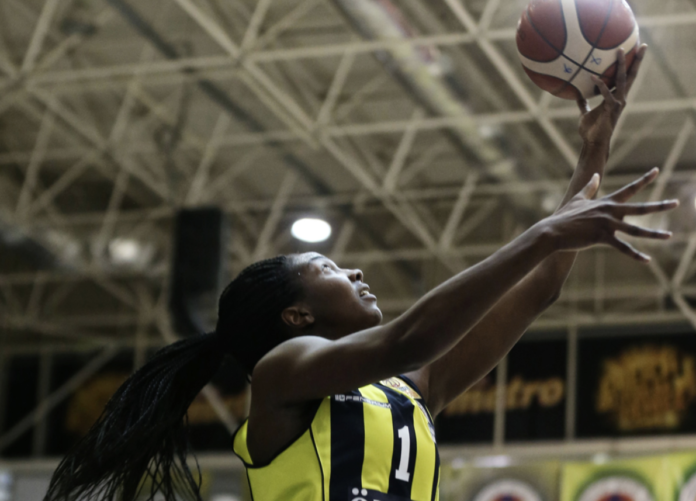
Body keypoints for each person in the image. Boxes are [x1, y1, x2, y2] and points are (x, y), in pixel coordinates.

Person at [45, 46, 676, 501]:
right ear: (297, 315)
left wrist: (593, 148)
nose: (351, 269)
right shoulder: (282, 374)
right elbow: (410, 338)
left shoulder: (413, 390)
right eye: (326, 267)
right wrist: (544, 232)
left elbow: (541, 288)